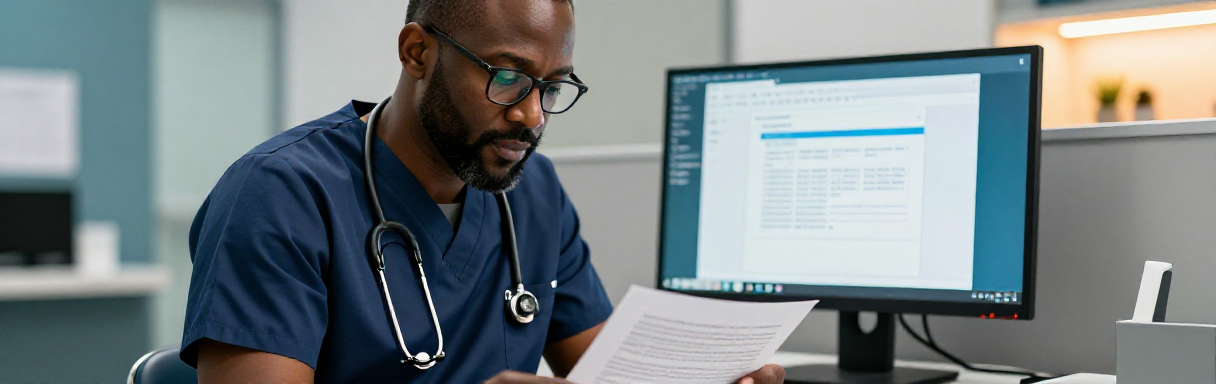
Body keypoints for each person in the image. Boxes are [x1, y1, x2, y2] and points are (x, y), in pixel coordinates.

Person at [178, 0, 787, 383]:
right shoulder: (280, 193)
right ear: (417, 51)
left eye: (551, 87)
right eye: (507, 77)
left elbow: (608, 370)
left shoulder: (534, 192)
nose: (532, 116)